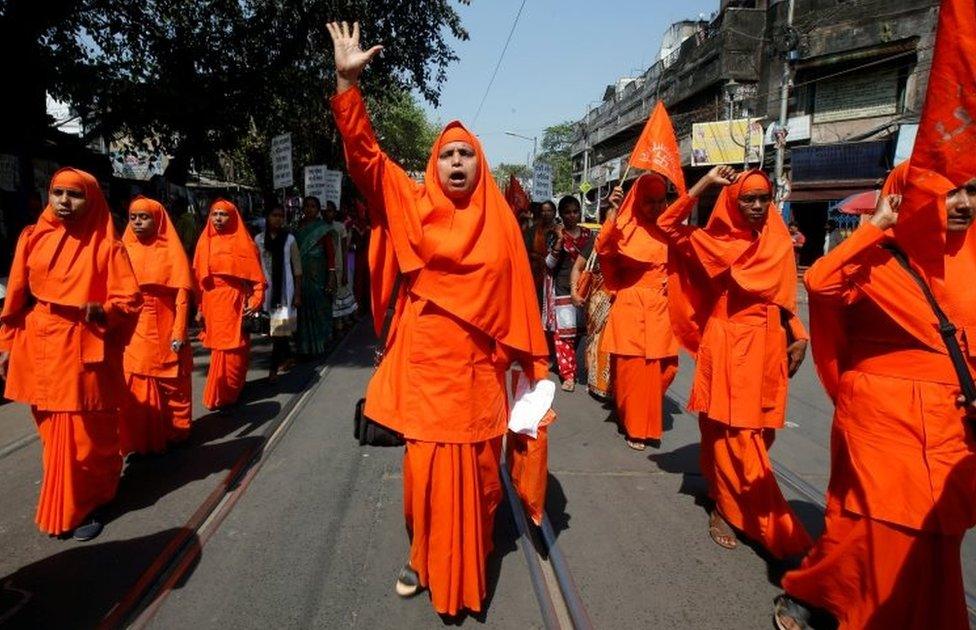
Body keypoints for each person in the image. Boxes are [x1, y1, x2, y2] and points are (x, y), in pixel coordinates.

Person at [327, 20, 551, 616]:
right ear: (434, 164)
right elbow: (368, 162)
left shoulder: (502, 226)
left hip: (478, 382)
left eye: (466, 155)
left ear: (480, 166)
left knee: (479, 485)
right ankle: (424, 555)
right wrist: (348, 88)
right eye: (447, 154)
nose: (456, 163)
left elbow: (521, 308)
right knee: (421, 480)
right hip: (425, 374)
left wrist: (535, 374)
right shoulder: (410, 202)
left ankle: (465, 562)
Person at [657, 165, 813, 557]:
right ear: (733, 200)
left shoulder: (778, 238)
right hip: (728, 340)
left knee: (760, 433)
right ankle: (731, 511)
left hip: (769, 345)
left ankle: (727, 492)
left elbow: (784, 296)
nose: (758, 206)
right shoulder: (715, 241)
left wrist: (799, 334)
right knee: (733, 435)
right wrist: (706, 183)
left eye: (764, 198)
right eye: (749, 198)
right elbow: (667, 222)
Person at [0, 168, 142, 540]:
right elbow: (14, 298)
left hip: (83, 346)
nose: (64, 201)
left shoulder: (108, 246)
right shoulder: (32, 238)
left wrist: (103, 312)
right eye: (57, 192)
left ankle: (91, 499)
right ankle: (67, 496)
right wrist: (7, 345)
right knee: (51, 433)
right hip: (39, 345)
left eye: (74, 194)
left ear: (92, 199)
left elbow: (129, 302)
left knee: (86, 437)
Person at [596, 175, 680, 450]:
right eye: (648, 202)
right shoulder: (625, 227)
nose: (655, 207)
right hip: (632, 307)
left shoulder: (670, 230)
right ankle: (635, 426)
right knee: (633, 371)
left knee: (665, 369)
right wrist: (612, 212)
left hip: (661, 309)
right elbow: (604, 250)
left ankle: (641, 416)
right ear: (638, 202)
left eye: (660, 201)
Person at [120, 196, 194, 456]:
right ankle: (143, 438)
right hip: (133, 327)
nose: (138, 222)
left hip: (165, 322)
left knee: (172, 381)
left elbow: (182, 296)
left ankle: (176, 430)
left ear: (158, 219)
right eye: (133, 217)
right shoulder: (122, 249)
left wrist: (179, 330)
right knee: (136, 381)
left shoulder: (170, 251)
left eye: (144, 217)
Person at [193, 199, 266, 410]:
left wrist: (256, 299)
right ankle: (220, 391)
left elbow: (257, 279)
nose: (218, 218)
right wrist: (199, 308)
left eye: (223, 214)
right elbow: (198, 279)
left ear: (233, 217)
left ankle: (229, 392)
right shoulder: (204, 242)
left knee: (234, 351)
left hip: (235, 301)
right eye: (214, 214)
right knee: (218, 350)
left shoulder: (246, 244)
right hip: (211, 301)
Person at [544, 196, 592, 391]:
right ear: (561, 215)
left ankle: (569, 365)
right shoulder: (555, 235)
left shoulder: (589, 235)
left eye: (575, 211)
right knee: (564, 336)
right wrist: (559, 242)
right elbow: (549, 264)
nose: (572, 215)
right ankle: (568, 375)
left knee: (580, 332)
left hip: (585, 290)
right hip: (563, 289)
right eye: (567, 212)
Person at [254, 204, 303, 383]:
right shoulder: (258, 240)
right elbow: (255, 266)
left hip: (283, 293)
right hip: (265, 292)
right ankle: (289, 356)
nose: (278, 219)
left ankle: (273, 369)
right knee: (276, 331)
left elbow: (297, 268)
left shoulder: (289, 240)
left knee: (278, 333)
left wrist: (297, 294)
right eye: (274, 215)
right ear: (267, 217)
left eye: (281, 216)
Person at [570, 224, 613, 401]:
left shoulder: (631, 242)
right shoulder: (596, 241)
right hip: (597, 299)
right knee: (596, 339)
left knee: (612, 341)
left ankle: (612, 385)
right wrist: (574, 291)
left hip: (620, 300)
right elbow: (578, 267)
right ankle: (597, 383)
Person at [295, 196, 337, 356]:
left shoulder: (323, 228)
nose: (309, 209)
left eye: (313, 206)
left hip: (319, 274)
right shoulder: (298, 228)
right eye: (306, 206)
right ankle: (305, 347)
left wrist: (331, 276)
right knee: (303, 310)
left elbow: (330, 254)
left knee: (319, 308)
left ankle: (320, 344)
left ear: (318, 209)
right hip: (301, 275)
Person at [324, 200, 357, 331]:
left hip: (339, 266)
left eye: (330, 210)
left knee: (339, 295)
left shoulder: (340, 227)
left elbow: (344, 250)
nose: (327, 213)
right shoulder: (319, 227)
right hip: (324, 267)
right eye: (325, 211)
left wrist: (344, 272)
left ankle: (339, 323)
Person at [524, 199, 557, 306]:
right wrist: (539, 258)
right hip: (536, 273)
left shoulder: (560, 231)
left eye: (549, 211)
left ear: (554, 212)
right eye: (543, 211)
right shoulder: (533, 231)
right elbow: (525, 251)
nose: (546, 214)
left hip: (555, 275)